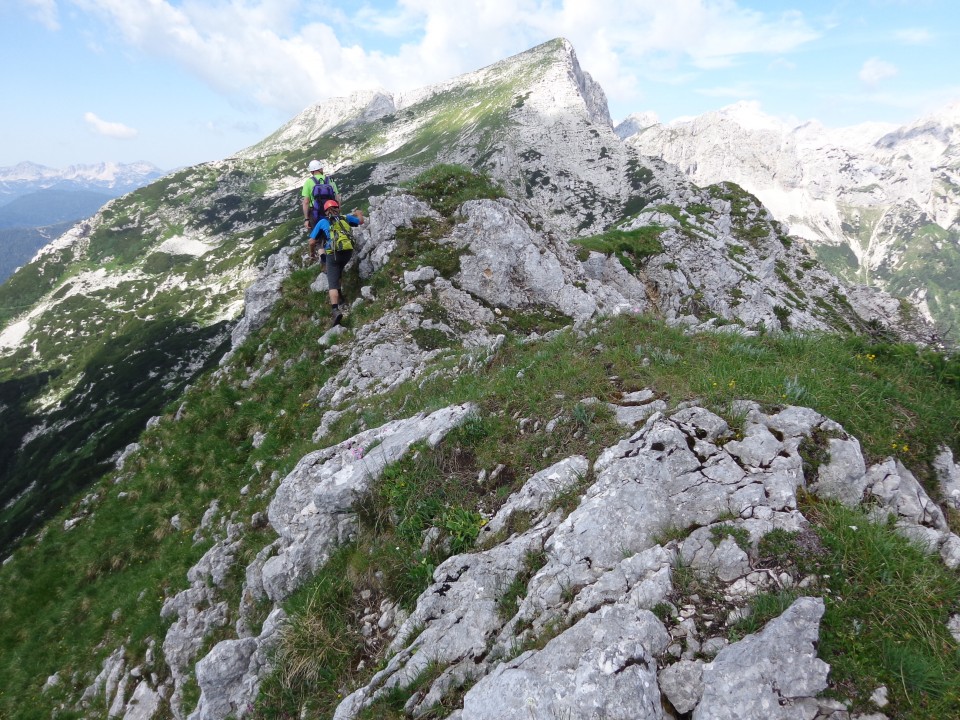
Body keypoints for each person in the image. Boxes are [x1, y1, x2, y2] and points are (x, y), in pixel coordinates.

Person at [309, 199, 364, 326]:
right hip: (347, 252)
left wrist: (311, 253)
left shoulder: (323, 221)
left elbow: (312, 241)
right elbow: (361, 221)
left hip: (333, 254)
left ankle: (335, 310)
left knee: (332, 281)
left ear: (325, 211)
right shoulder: (346, 217)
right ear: (337, 208)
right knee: (337, 271)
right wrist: (359, 213)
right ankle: (341, 297)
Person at [300, 159, 340, 262]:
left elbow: (306, 202)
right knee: (330, 234)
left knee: (317, 240)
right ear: (321, 168)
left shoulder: (309, 182)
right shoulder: (330, 180)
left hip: (315, 214)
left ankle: (323, 259)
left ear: (311, 171)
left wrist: (306, 218)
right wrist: (337, 211)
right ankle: (334, 256)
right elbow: (338, 197)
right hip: (330, 212)